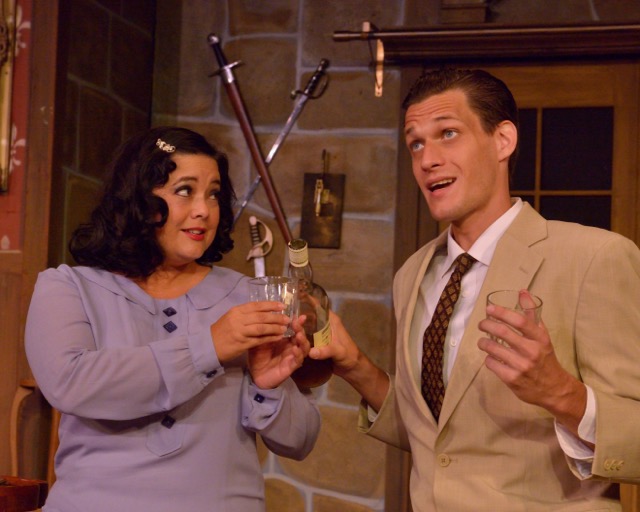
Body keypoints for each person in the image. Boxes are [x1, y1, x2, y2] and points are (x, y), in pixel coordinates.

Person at [310, 68, 640, 511]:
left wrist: (561, 393)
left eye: (448, 133)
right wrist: (354, 367)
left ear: (502, 140)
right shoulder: (412, 274)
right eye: (416, 143)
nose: (427, 159)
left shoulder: (594, 258)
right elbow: (441, 438)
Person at [25, 126, 320, 512]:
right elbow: (71, 383)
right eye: (185, 190)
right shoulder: (69, 287)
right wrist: (209, 347)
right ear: (139, 198)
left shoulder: (248, 296)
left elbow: (299, 441)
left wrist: (270, 388)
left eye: (213, 194)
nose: (204, 210)